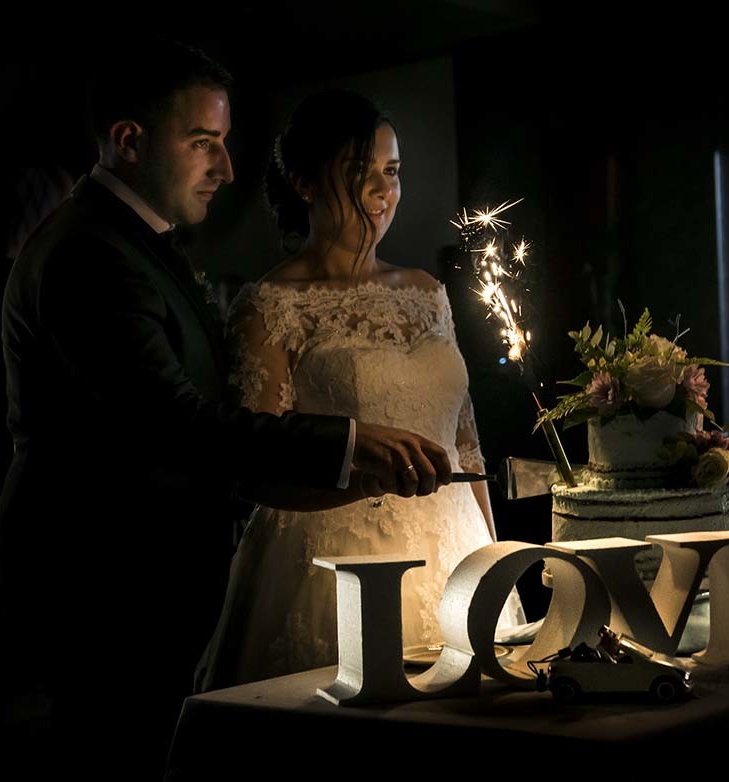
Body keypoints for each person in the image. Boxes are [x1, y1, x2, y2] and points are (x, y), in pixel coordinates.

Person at [0, 41, 450, 782]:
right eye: (203, 142)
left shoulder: (136, 242)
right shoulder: (87, 254)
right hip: (104, 596)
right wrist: (349, 442)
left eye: (225, 142)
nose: (227, 167)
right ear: (129, 139)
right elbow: (175, 424)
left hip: (143, 592)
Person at [198, 89, 524, 690]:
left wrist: (492, 556)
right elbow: (255, 464)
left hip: (455, 553)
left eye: (391, 172)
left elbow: (466, 444)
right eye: (358, 172)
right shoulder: (270, 306)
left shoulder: (427, 292)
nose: (381, 191)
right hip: (331, 564)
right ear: (303, 182)